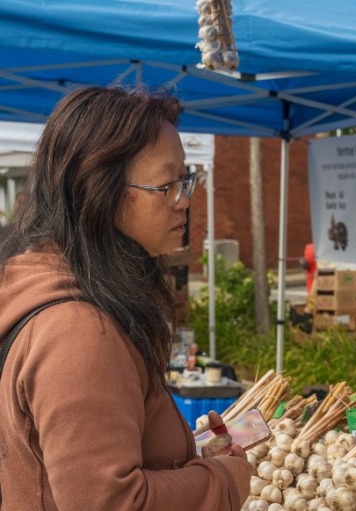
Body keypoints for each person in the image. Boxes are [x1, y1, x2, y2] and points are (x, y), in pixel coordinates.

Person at [0, 86, 253, 509]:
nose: (184, 201)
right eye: (168, 184)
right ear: (101, 190)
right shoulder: (78, 331)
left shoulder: (70, 292)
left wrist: (182, 450)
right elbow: (110, 502)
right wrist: (221, 483)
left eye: (187, 179)